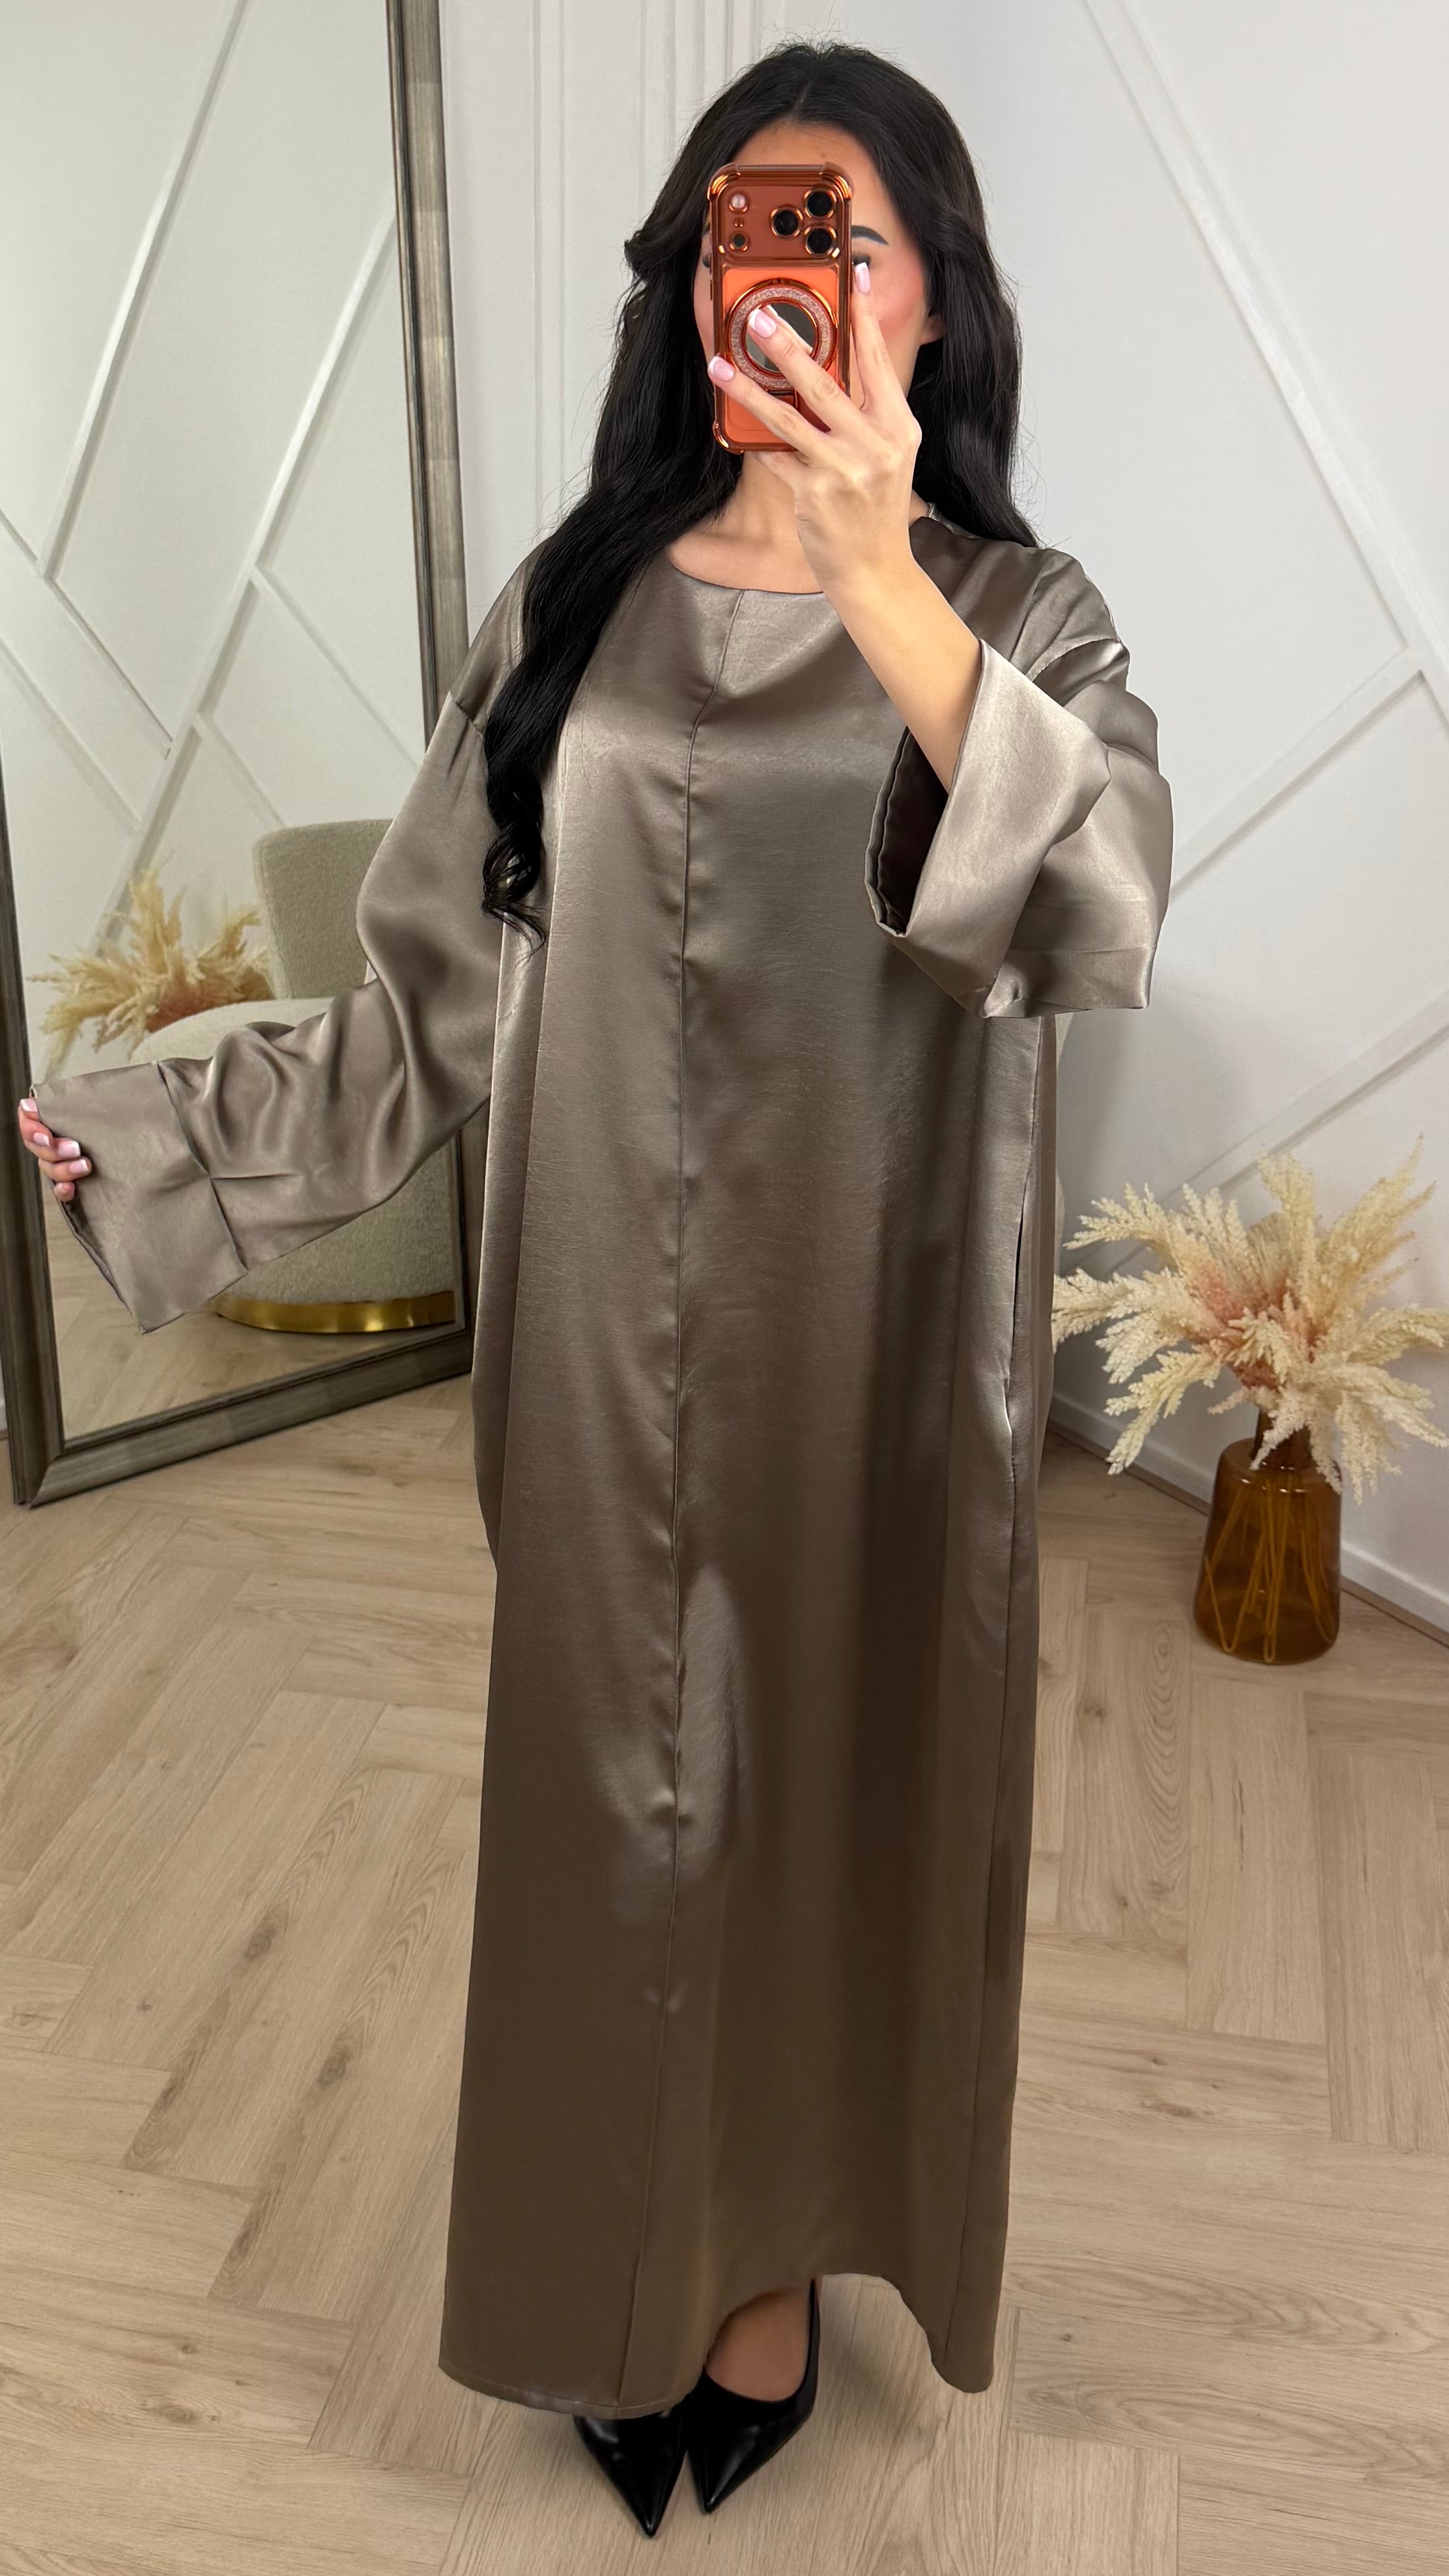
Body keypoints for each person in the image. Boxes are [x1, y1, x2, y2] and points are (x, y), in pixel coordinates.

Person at [18, 39, 1171, 2540]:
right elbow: (431, 990)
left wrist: (876, 574)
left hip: (874, 1353)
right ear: (694, 274)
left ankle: (772, 2273)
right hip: (593, 1372)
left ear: (933, 297)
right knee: (623, 1836)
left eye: (849, 235)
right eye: (758, 226)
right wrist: (159, 1129)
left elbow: (1099, 908)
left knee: (828, 1818)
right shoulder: (574, 601)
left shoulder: (1020, 614)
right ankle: (617, 2286)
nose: (799, 275)